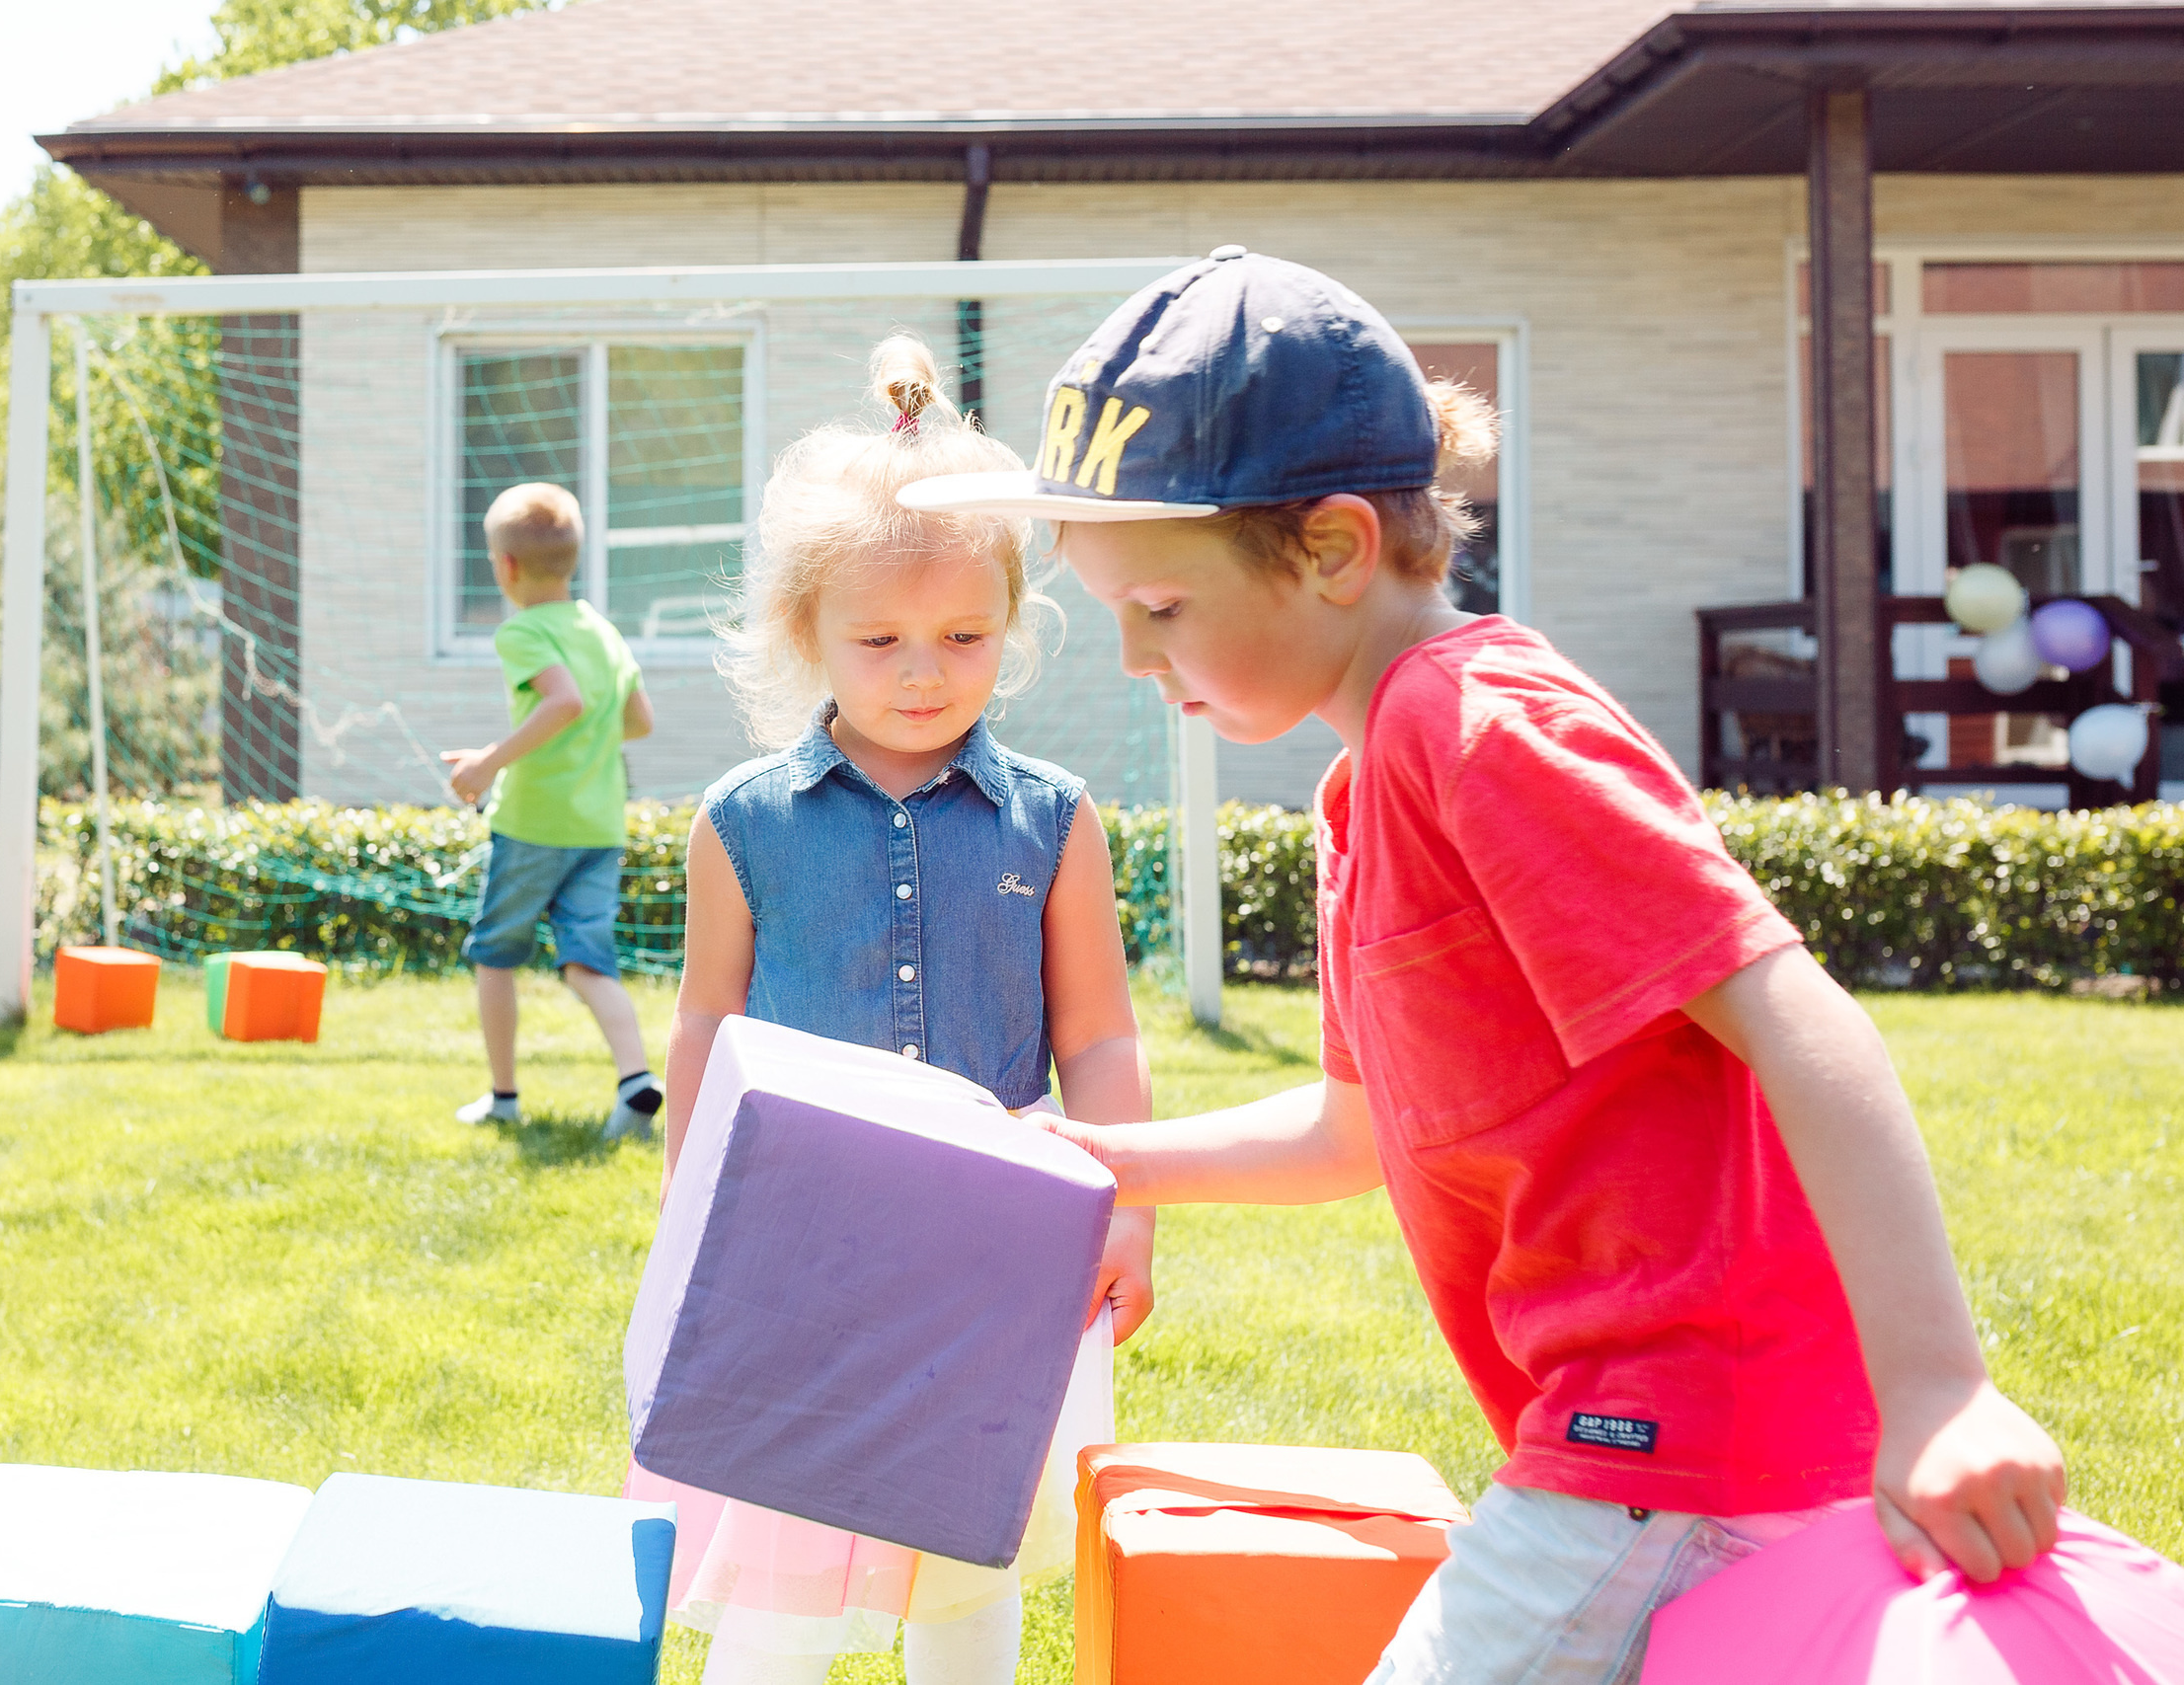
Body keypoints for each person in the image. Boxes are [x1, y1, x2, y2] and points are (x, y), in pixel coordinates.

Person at [898, 250, 2066, 1684]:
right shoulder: (1370, 783)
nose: (1138, 657)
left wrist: (1941, 1388)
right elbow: (1355, 1134)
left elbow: (1797, 1014)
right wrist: (1096, 1155)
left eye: (1162, 608)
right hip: (1616, 1437)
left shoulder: (1478, 732)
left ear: (1332, 549)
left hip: (1667, 1431)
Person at [626, 336, 1156, 1685]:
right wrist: (691, 1209)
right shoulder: (740, 821)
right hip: (804, 1229)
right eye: (880, 639)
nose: (924, 670)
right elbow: (706, 1026)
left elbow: (1098, 1033)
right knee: (790, 1548)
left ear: (1013, 630)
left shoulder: (1056, 816)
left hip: (1003, 1234)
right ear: (805, 632)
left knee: (970, 1547)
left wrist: (1132, 1209)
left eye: (964, 635)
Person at [441, 483, 663, 1138]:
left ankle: (503, 1097)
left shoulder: (522, 631)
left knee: (495, 954)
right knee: (588, 962)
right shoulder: (601, 630)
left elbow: (562, 702)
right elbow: (639, 721)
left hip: (533, 825)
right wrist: (580, 744)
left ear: (505, 566)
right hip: (598, 826)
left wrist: (488, 763)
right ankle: (634, 1080)